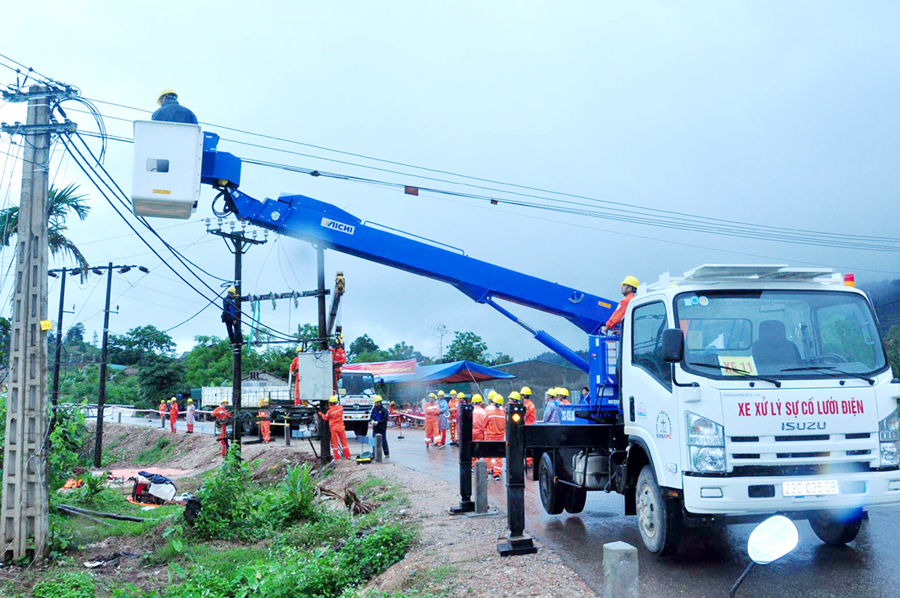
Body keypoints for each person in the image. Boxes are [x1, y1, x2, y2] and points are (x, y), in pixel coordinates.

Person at [319, 395, 351, 460]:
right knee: (344, 442)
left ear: (330, 403)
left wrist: (320, 413)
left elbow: (325, 418)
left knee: (334, 443)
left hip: (334, 428)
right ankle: (347, 455)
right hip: (341, 427)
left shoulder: (329, 411)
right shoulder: (341, 408)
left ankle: (336, 457)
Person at [485, 394, 507, 481]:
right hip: (500, 436)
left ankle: (486, 472)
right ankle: (497, 473)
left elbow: (484, 424)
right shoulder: (503, 414)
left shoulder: (489, 413)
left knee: (487, 454)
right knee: (498, 455)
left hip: (490, 436)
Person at [520, 387, 536, 467]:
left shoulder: (528, 405)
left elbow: (523, 416)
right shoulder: (530, 404)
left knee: (527, 445)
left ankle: (529, 462)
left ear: (523, 396)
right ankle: (528, 461)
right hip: (530, 427)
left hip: (528, 427)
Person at [370, 395, 390, 459]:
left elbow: (385, 419)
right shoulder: (374, 410)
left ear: (380, 402)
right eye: (375, 403)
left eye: (377, 402)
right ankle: (374, 454)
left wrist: (378, 422)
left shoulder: (384, 410)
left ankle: (386, 454)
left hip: (382, 428)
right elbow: (371, 416)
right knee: (373, 441)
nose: (376, 404)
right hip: (375, 428)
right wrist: (372, 421)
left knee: (383, 441)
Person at [471, 394, 487, 468]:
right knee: (479, 448)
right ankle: (479, 464)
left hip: (471, 431)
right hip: (480, 432)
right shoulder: (483, 411)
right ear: (480, 402)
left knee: (473, 448)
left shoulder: (471, 410)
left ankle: (473, 464)